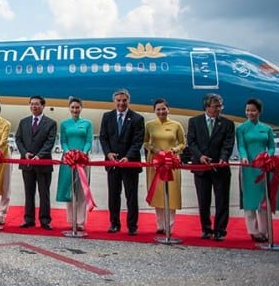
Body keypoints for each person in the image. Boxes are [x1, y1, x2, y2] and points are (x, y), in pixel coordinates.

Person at [187, 93, 235, 241]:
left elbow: (228, 144)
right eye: (216, 106)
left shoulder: (227, 123)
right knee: (203, 201)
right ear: (207, 106)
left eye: (220, 105)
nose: (219, 108)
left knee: (222, 200)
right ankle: (206, 229)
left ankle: (220, 230)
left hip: (220, 168)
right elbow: (191, 141)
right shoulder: (195, 121)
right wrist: (200, 156)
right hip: (201, 168)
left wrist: (223, 158)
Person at [100, 88, 145, 235]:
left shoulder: (137, 119)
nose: (121, 103)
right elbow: (103, 137)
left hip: (129, 164)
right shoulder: (107, 117)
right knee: (113, 195)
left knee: (131, 197)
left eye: (124, 100)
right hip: (113, 164)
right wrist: (108, 153)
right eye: (118, 100)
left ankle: (132, 226)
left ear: (128, 101)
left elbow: (138, 141)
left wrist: (128, 156)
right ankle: (114, 224)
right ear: (114, 101)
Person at [236, 98, 279, 242]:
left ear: (259, 111)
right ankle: (253, 231)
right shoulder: (241, 129)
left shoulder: (267, 129)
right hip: (248, 168)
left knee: (263, 200)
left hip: (265, 167)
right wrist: (243, 157)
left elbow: (272, 147)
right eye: (247, 110)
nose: (250, 113)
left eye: (253, 110)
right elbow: (241, 146)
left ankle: (264, 231)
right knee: (249, 200)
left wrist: (269, 155)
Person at [143, 98, 186, 233]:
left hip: (171, 162)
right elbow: (145, 142)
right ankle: (160, 225)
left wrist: (173, 150)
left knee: (171, 193)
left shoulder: (176, 125)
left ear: (168, 109)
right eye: (158, 109)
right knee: (157, 192)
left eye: (163, 109)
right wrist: (154, 150)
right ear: (154, 111)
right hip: (156, 162)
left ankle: (170, 226)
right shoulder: (149, 125)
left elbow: (182, 143)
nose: (161, 111)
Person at [15, 96, 57, 230]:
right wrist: (24, 153)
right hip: (27, 163)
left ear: (43, 106)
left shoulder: (51, 123)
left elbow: (50, 142)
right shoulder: (23, 122)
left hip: (43, 163)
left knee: (44, 193)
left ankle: (45, 220)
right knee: (29, 192)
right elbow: (18, 139)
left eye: (37, 104)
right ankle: (29, 219)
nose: (34, 106)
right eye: (32, 104)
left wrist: (39, 155)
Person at [55, 97, 93, 230]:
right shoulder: (65, 124)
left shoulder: (87, 123)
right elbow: (63, 141)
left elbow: (89, 140)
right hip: (68, 160)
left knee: (82, 191)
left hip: (83, 161)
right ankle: (71, 221)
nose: (75, 110)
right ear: (69, 109)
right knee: (69, 190)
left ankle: (81, 222)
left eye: (77, 107)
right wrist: (68, 153)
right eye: (72, 107)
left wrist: (83, 153)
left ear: (81, 108)